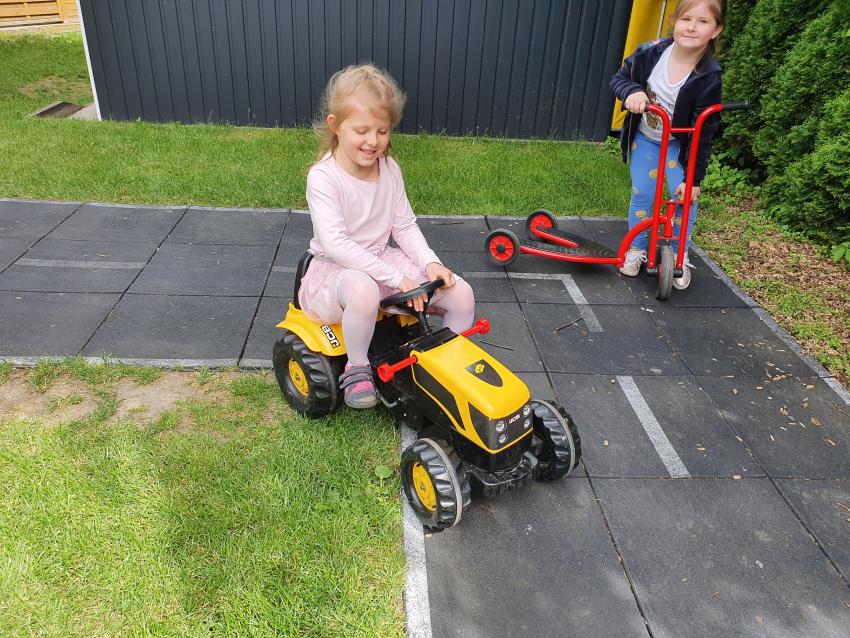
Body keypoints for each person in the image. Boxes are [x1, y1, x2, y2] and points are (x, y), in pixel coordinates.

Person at [299, 64, 476, 409]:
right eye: (361, 130)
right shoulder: (324, 178)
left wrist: (431, 264)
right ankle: (357, 368)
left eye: (382, 131)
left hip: (382, 260)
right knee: (364, 291)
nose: (373, 141)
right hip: (338, 273)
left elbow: (404, 226)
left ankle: (448, 368)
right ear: (335, 125)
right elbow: (337, 245)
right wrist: (396, 278)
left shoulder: (390, 169)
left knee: (461, 294)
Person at [610, 0, 725, 289]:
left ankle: (677, 254)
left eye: (702, 21)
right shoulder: (650, 53)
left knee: (684, 197)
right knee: (643, 192)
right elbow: (619, 78)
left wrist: (694, 179)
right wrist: (632, 91)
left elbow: (704, 132)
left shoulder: (709, 76)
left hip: (679, 145)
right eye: (686, 19)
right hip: (646, 139)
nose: (691, 27)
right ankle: (636, 248)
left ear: (716, 30)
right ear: (675, 21)